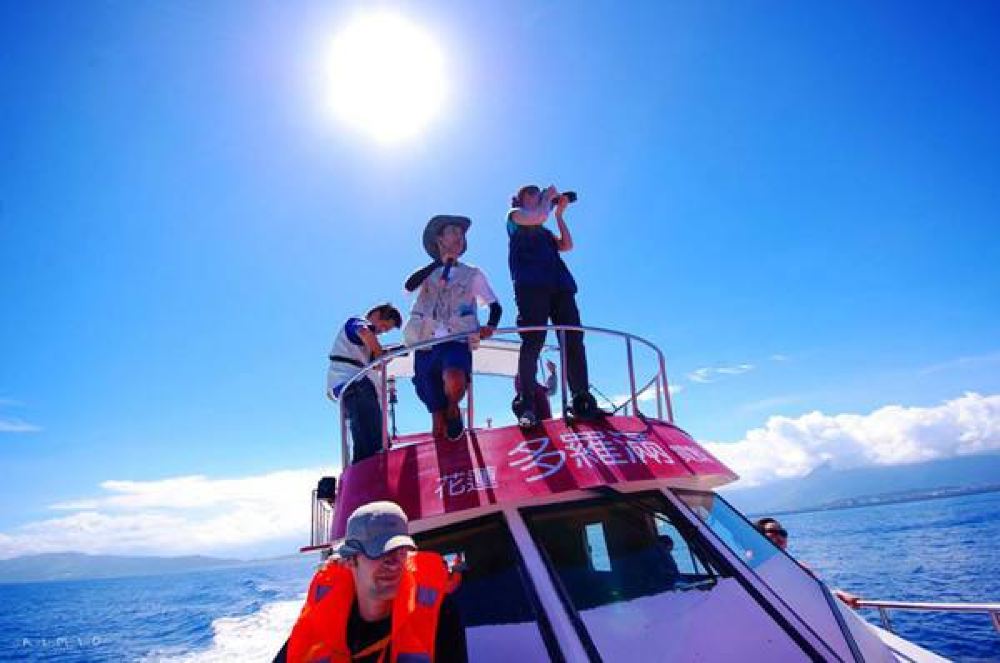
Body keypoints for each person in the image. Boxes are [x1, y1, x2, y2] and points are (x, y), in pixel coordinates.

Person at [281, 501, 467, 663]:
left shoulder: (439, 613)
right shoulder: (319, 616)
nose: (393, 564)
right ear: (350, 560)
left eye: (401, 551)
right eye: (380, 552)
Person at [507, 184, 603, 428]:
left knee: (573, 340)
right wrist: (549, 199)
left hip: (560, 286)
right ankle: (527, 404)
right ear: (519, 199)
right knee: (533, 340)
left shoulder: (545, 231)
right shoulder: (514, 218)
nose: (537, 195)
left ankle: (580, 397)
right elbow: (537, 215)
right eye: (532, 193)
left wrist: (559, 215)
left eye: (538, 193)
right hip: (531, 287)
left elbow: (567, 245)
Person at [403, 215, 501, 440]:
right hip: (426, 344)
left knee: (455, 376)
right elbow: (409, 287)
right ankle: (444, 451)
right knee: (436, 420)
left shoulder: (472, 274)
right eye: (453, 231)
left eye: (461, 233)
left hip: (456, 340)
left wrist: (490, 326)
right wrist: (440, 263)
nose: (459, 237)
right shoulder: (427, 273)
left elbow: (495, 306)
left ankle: (453, 408)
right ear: (439, 238)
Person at [327, 304, 402, 464]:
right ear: (375, 314)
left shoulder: (365, 348)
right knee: (370, 439)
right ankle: (367, 469)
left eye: (385, 331)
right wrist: (379, 353)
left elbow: (374, 365)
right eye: (382, 326)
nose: (380, 331)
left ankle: (367, 466)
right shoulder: (356, 322)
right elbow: (364, 332)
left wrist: (387, 355)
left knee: (374, 434)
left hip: (355, 384)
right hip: (350, 383)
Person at [755, 517, 861, 609]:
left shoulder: (797, 567)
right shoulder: (753, 569)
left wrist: (837, 594)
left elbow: (817, 592)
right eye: (772, 531)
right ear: (758, 536)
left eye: (783, 533)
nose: (780, 536)